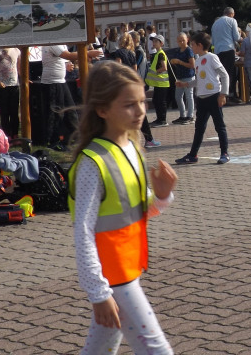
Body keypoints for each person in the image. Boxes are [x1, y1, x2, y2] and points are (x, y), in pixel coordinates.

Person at [68, 61, 178, 354]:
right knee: (158, 350)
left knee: (101, 347)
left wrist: (162, 197)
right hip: (114, 276)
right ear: (102, 110)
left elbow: (135, 214)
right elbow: (83, 231)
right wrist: (98, 293)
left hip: (127, 267)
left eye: (142, 101)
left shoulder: (131, 147)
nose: (141, 111)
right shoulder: (93, 163)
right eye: (129, 104)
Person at [175, 31, 230, 165]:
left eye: (192, 44)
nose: (191, 47)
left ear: (199, 45)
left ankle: (224, 153)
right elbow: (199, 80)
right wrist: (185, 84)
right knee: (199, 128)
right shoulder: (198, 61)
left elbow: (225, 75)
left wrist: (223, 94)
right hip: (202, 98)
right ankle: (193, 155)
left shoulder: (212, 57)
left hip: (214, 97)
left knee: (219, 126)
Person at [42, 44, 104, 150]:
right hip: (53, 82)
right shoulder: (51, 42)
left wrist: (67, 65)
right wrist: (88, 53)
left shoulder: (60, 44)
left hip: (61, 81)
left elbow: (65, 58)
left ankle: (77, 138)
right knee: (56, 113)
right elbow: (68, 55)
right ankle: (53, 142)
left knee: (71, 111)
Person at [112, 33, 160, 148]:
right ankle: (149, 139)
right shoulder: (132, 54)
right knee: (140, 114)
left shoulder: (118, 53)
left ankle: (125, 140)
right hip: (131, 83)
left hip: (123, 84)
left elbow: (118, 68)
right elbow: (135, 71)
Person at [0, 47, 21, 138]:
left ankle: (15, 134)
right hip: (0, 85)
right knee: (4, 111)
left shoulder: (16, 50)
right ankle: (6, 134)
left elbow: (19, 68)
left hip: (14, 85)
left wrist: (25, 79)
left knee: (14, 111)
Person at [212, 7, 242, 102]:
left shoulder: (215, 23)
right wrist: (243, 40)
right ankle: (230, 95)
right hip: (228, 49)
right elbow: (236, 37)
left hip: (217, 51)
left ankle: (221, 95)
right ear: (232, 14)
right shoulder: (232, 20)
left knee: (221, 74)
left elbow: (212, 41)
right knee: (229, 73)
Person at [168, 32, 196, 123]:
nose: (181, 42)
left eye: (183, 40)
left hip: (188, 76)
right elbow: (175, 61)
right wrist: (173, 61)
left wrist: (180, 62)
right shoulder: (178, 50)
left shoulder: (189, 50)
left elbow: (192, 65)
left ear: (187, 40)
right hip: (179, 76)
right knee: (178, 96)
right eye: (179, 41)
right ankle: (182, 115)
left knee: (189, 96)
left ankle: (190, 116)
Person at [145, 34, 171, 127]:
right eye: (153, 41)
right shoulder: (157, 53)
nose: (154, 43)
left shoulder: (160, 54)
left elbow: (164, 67)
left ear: (161, 43)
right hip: (158, 83)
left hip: (162, 83)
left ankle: (162, 120)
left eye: (156, 41)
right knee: (156, 101)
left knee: (160, 101)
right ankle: (159, 119)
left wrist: (156, 71)